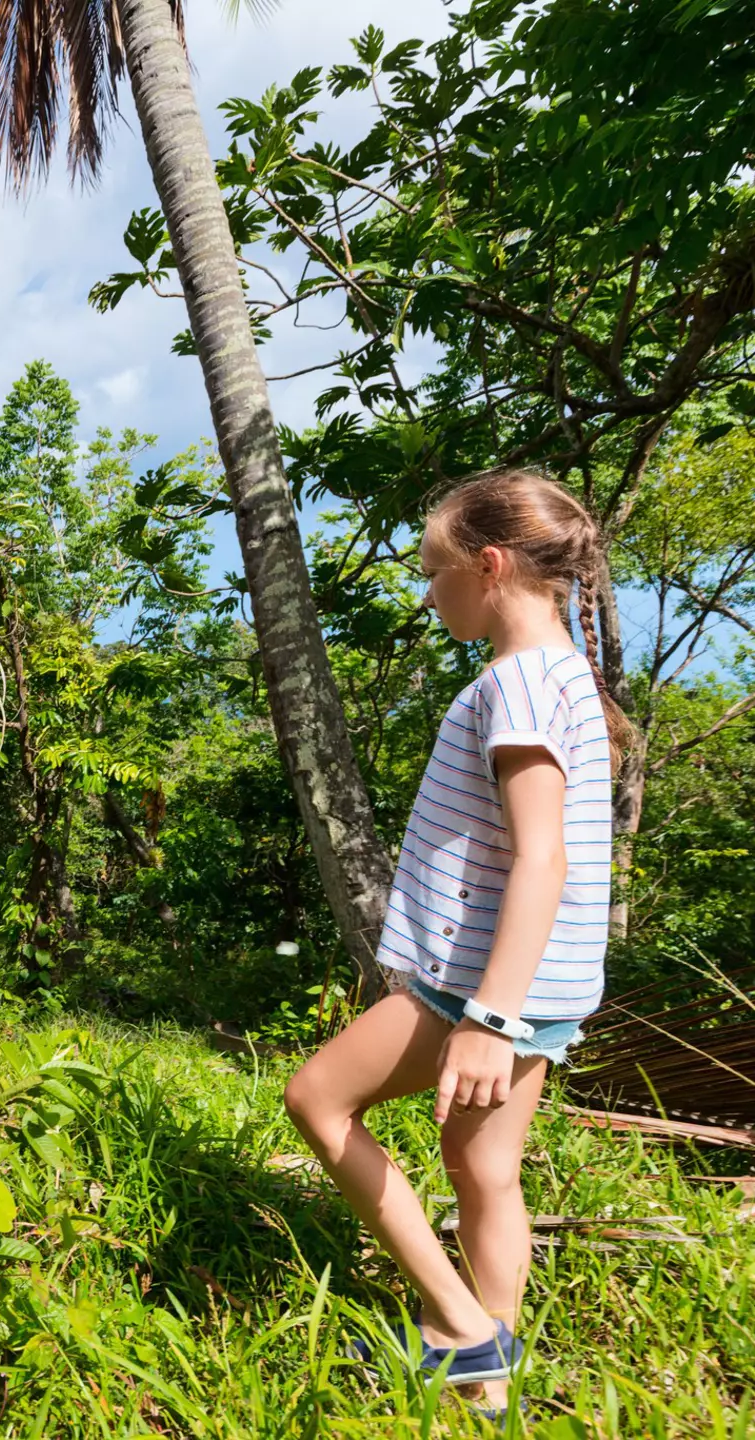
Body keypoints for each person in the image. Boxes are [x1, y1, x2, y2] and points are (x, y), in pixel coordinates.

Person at [283, 471, 630, 1416]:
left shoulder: (515, 683)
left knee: (314, 1099)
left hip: (479, 982)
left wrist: (485, 1019)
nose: (428, 592)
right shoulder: (564, 671)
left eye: (434, 572)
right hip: (544, 985)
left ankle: (459, 1327)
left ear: (489, 565)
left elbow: (541, 859)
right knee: (483, 1168)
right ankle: (489, 1370)